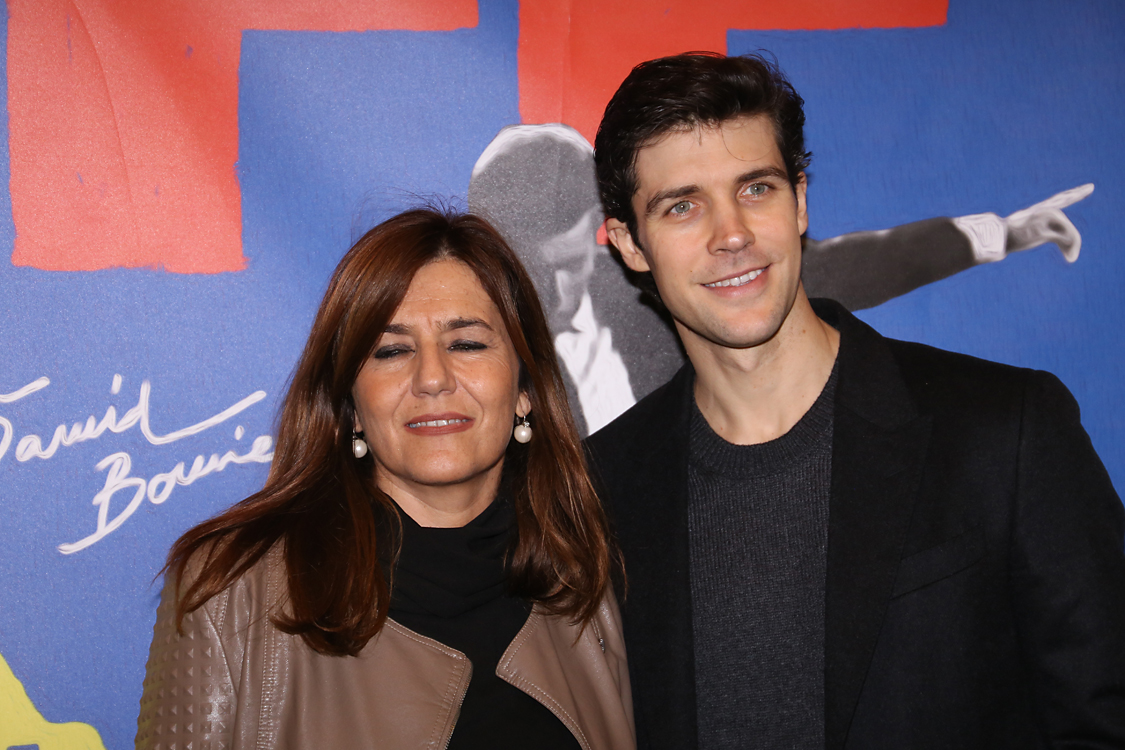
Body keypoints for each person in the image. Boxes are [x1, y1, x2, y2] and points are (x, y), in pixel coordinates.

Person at [585, 52, 1125, 749]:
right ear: (629, 243)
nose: (731, 235)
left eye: (756, 189)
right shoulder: (603, 486)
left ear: (800, 200)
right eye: (682, 205)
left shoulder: (1005, 430)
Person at [135, 209, 635, 750]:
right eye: (392, 351)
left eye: (466, 343)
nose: (432, 378)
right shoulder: (230, 588)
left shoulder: (592, 573)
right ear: (350, 405)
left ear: (524, 389)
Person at [469, 123, 1092, 436]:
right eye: (529, 262)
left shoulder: (669, 281)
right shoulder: (467, 345)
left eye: (569, 261)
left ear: (609, 237)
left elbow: (858, 264)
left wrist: (1004, 233)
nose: (551, 286)